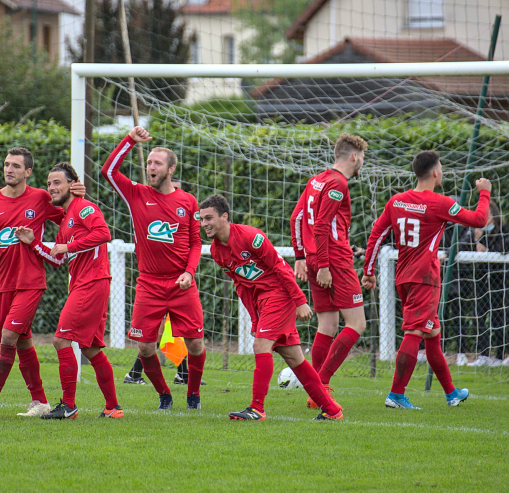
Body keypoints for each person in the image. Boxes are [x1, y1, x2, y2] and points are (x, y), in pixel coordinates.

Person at [362, 150, 491, 408]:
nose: (442, 172)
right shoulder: (440, 203)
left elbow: (376, 235)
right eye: (441, 168)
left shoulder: (396, 201)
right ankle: (396, 394)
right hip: (425, 278)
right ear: (435, 173)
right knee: (415, 332)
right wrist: (485, 192)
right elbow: (479, 219)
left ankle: (451, 393)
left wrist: (368, 271)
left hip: (404, 277)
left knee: (432, 333)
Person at [200, 194, 344, 421]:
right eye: (201, 219)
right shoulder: (217, 251)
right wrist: (255, 320)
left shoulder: (250, 236)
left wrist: (300, 301)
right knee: (294, 358)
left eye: (209, 218)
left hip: (280, 296)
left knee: (260, 345)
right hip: (263, 302)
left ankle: (257, 408)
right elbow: (242, 286)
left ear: (224, 217)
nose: (204, 224)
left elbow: (281, 268)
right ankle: (332, 410)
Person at [0, 147, 85, 419]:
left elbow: (71, 217)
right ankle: (40, 401)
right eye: (7, 164)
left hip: (31, 281)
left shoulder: (41, 198)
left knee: (8, 337)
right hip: (3, 282)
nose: (9, 169)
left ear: (28, 172)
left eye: (16, 166)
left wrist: (78, 197)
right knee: (21, 342)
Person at [102, 126, 206, 410]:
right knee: (146, 347)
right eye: (148, 162)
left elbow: (196, 243)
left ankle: (193, 395)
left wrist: (190, 271)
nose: (151, 167)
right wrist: (129, 140)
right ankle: (164, 395)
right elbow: (108, 171)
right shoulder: (137, 195)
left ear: (171, 169)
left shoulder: (188, 201)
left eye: (157, 163)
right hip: (149, 284)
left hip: (181, 284)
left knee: (195, 345)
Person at [15, 162, 123, 419]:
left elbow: (104, 233)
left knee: (60, 340)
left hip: (92, 282)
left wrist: (69, 247)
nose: (51, 188)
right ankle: (113, 408)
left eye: (57, 183)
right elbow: (57, 259)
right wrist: (34, 243)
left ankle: (68, 406)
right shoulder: (65, 222)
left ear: (72, 185)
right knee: (90, 349)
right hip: (87, 284)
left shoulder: (84, 207)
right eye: (49, 183)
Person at [290, 132, 368, 408]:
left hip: (314, 258)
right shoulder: (338, 183)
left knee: (328, 324)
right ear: (354, 156)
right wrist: (323, 265)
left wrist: (301, 255)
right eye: (362, 159)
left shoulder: (316, 180)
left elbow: (296, 217)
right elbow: (321, 224)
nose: (362, 165)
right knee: (357, 324)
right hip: (332, 261)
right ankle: (320, 387)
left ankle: (317, 390)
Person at [457, 202, 509, 367]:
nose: (484, 219)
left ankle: (501, 356)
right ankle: (484, 355)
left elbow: (503, 248)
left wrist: (485, 247)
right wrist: (475, 238)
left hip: (500, 282)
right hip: (480, 282)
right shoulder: (472, 231)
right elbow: (459, 248)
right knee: (478, 316)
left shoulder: (503, 231)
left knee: (499, 318)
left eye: (487, 215)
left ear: (494, 216)